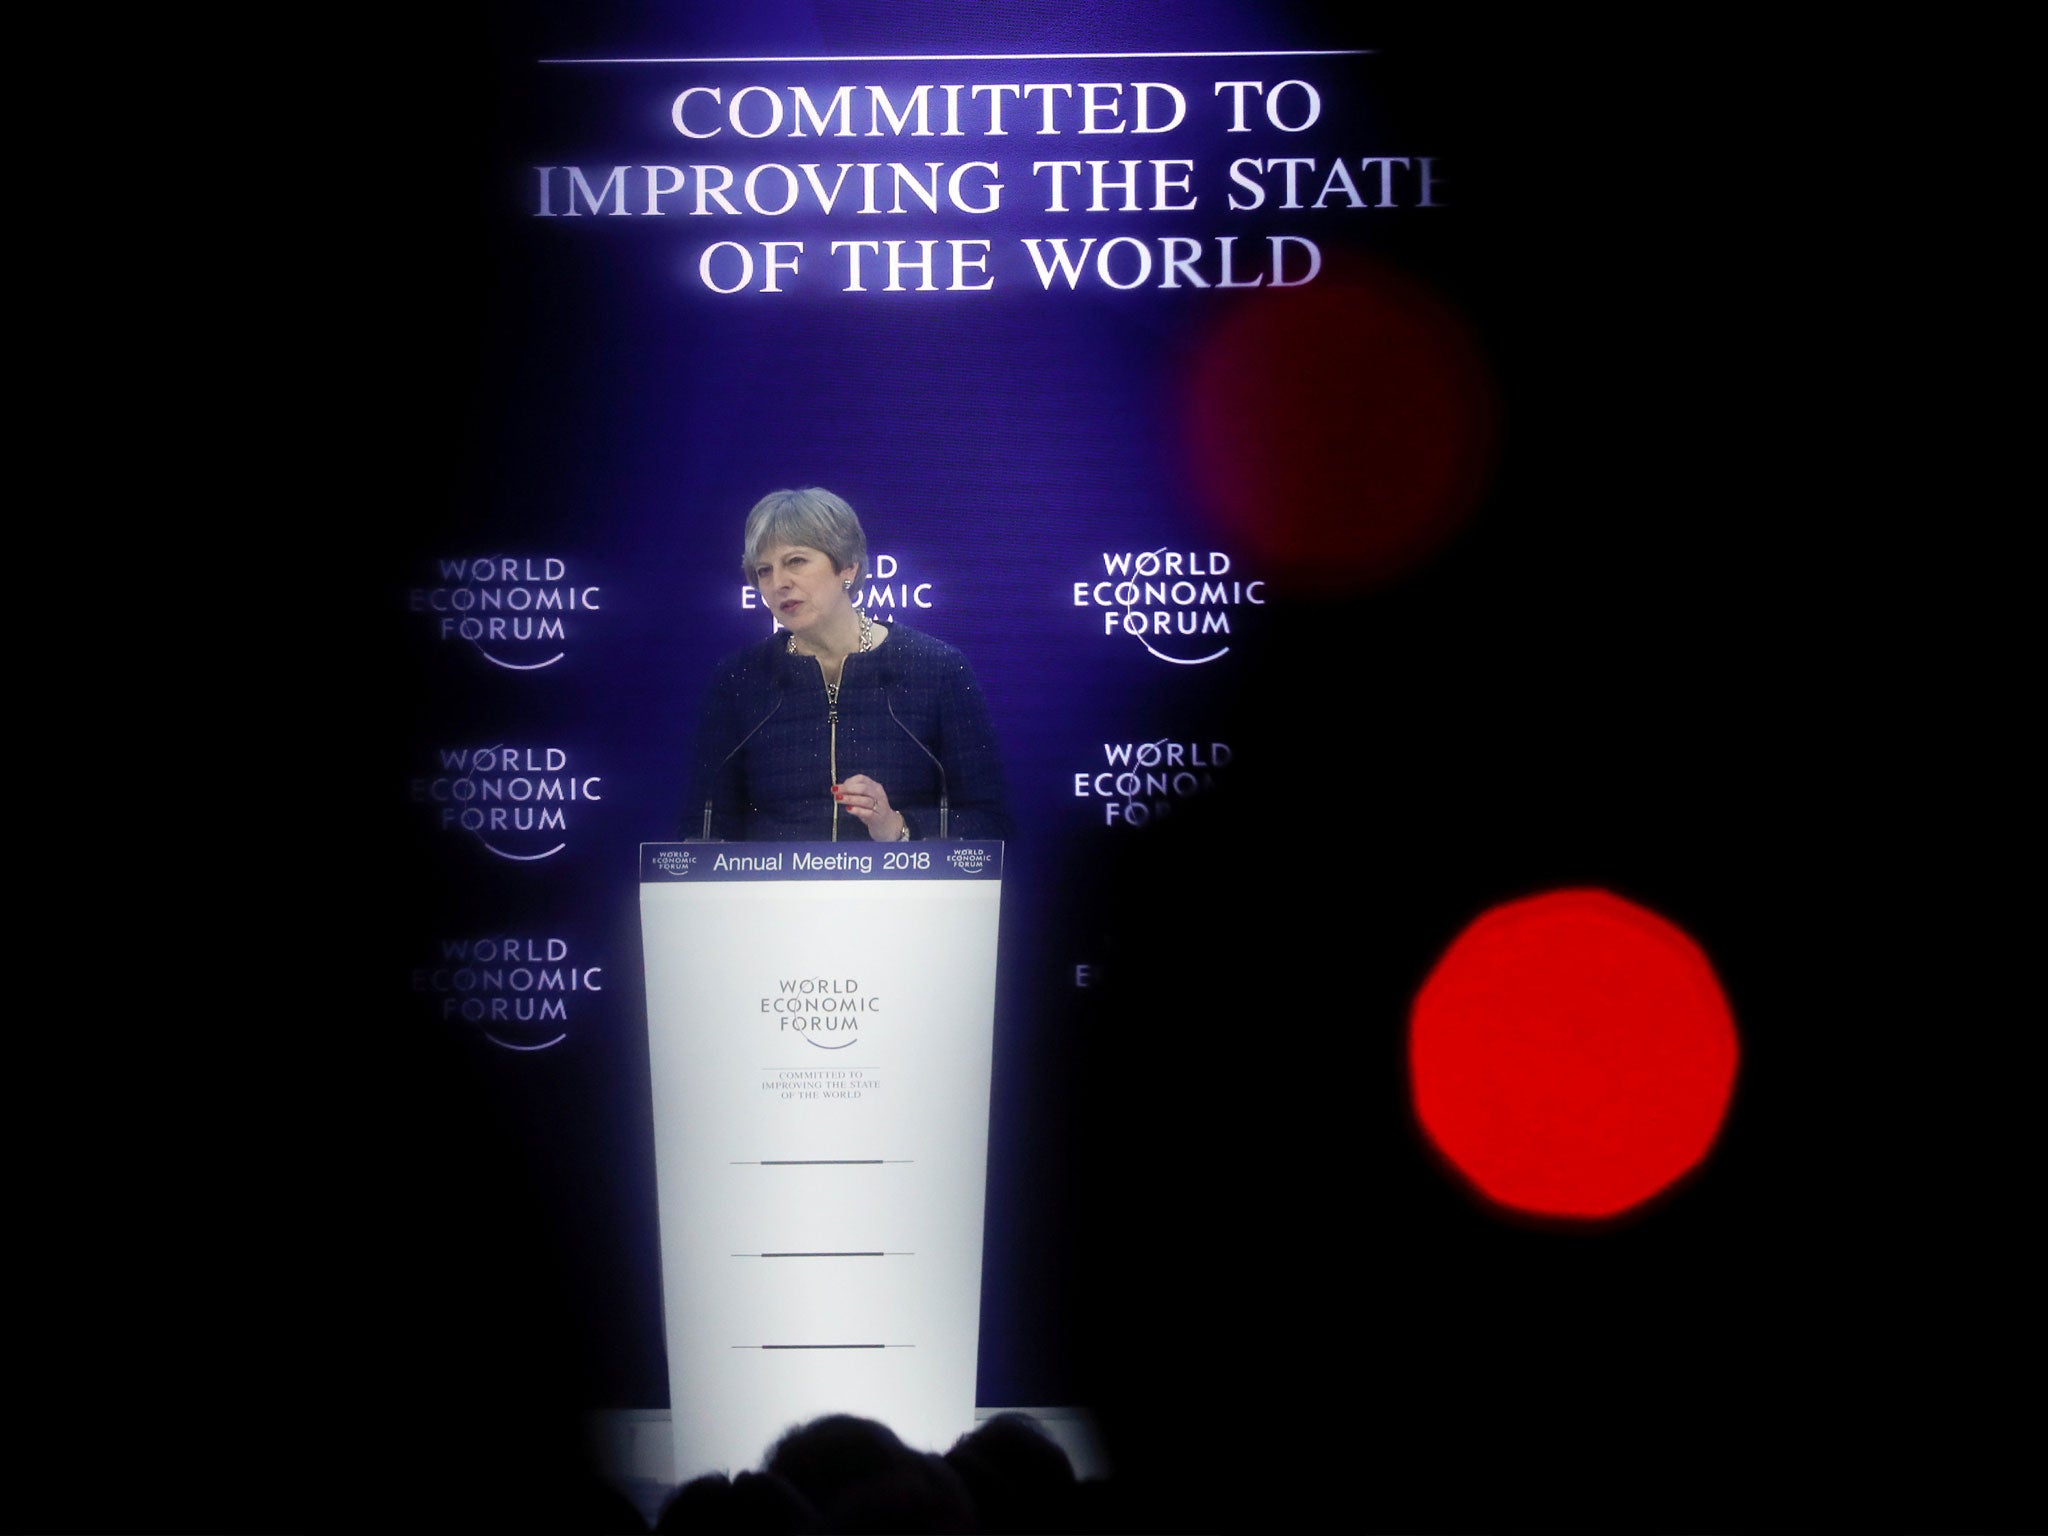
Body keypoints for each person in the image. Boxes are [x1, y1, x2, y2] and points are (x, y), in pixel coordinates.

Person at [688, 487, 1011, 842]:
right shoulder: (740, 679)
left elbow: (990, 821)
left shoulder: (936, 669)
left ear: (847, 567)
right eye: (764, 570)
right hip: (775, 895)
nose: (778, 583)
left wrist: (898, 827)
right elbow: (705, 824)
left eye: (796, 561)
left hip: (901, 893)